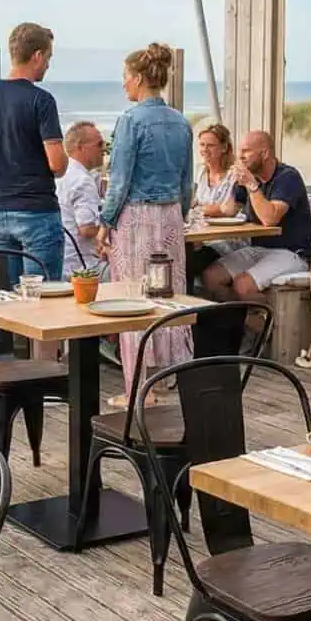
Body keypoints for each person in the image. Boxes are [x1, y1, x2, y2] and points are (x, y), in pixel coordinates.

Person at [95, 45, 193, 396]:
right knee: (170, 298)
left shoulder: (130, 121)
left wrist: (106, 222)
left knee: (133, 302)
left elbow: (119, 181)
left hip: (136, 218)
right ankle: (167, 377)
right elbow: (187, 182)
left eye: (125, 78)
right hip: (170, 216)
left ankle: (138, 389)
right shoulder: (181, 122)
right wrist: (179, 216)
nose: (124, 85)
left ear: (138, 78)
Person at [0, 22, 67, 279]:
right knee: (43, 303)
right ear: (38, 55)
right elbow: (57, 165)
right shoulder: (41, 100)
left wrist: (5, 161)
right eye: (49, 57)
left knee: (7, 304)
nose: (48, 65)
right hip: (37, 212)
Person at [203, 131, 311, 303]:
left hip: (292, 252)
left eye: (246, 151)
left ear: (264, 153)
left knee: (242, 286)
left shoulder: (287, 177)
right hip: (259, 248)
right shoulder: (253, 177)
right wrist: (198, 209)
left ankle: (271, 325)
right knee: (211, 277)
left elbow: (270, 219)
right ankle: (238, 323)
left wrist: (251, 185)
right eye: (240, 151)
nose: (240, 156)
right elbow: (229, 210)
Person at [58, 121, 105, 275]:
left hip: (60, 262)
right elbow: (86, 229)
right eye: (99, 144)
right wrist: (109, 227)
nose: (104, 149)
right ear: (80, 147)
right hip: (81, 267)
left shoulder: (60, 174)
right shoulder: (83, 181)